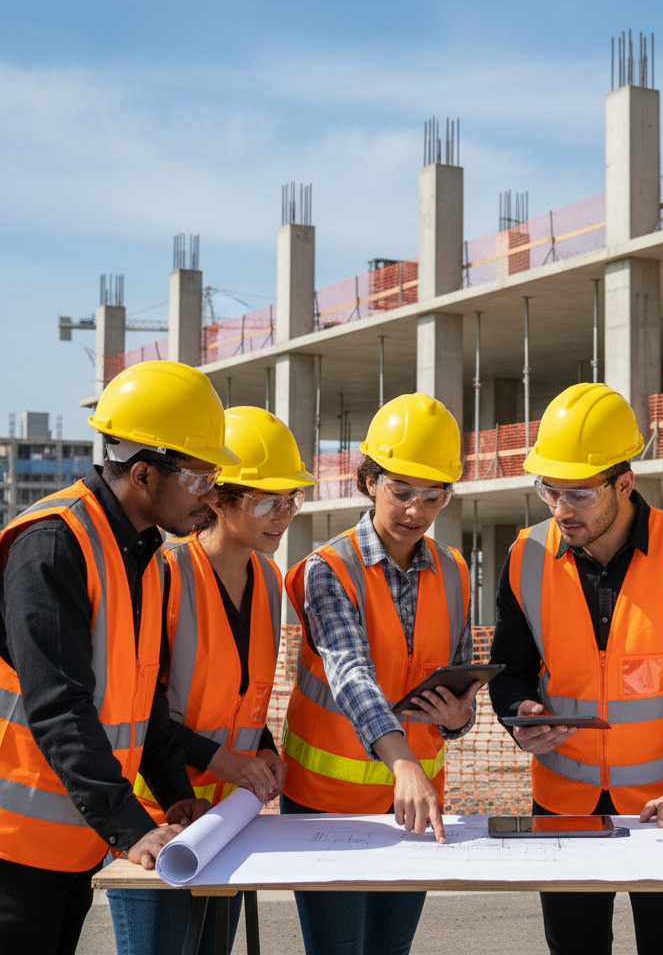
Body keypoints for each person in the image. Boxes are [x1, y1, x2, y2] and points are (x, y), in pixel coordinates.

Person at [489, 382, 663, 955]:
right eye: (549, 492)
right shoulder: (525, 556)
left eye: (578, 494)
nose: (561, 510)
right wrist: (519, 714)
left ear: (624, 483)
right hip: (562, 805)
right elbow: (508, 672)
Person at [0, 360, 237, 955]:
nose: (212, 496)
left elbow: (143, 697)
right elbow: (60, 707)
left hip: (70, 842)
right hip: (12, 849)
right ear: (142, 473)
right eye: (201, 477)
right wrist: (132, 829)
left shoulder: (145, 557)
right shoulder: (51, 546)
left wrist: (172, 787)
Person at [107, 406, 314, 955]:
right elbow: (141, 707)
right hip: (158, 819)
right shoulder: (166, 575)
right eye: (267, 501)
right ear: (218, 498)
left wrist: (263, 747)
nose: (283, 516)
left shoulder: (270, 579)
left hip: (226, 819)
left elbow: (243, 697)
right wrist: (224, 760)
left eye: (292, 500)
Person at [280, 392, 476, 955]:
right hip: (326, 805)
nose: (415, 510)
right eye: (401, 491)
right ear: (369, 481)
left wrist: (459, 717)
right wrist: (403, 763)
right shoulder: (327, 569)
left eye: (432, 496)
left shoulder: (456, 571)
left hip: (415, 803)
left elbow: (457, 679)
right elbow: (350, 674)